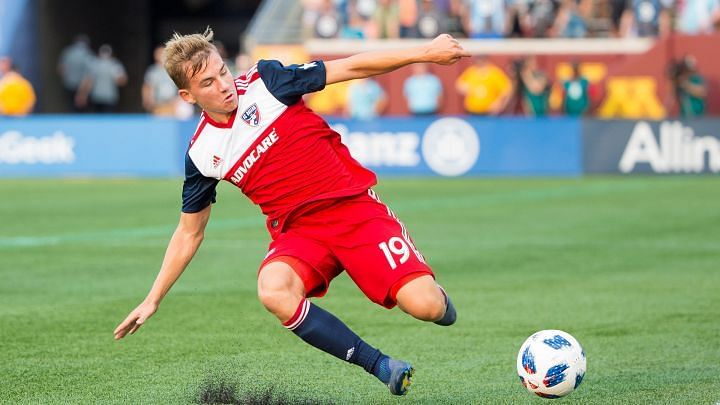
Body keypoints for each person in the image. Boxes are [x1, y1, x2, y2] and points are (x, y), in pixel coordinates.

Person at [113, 28, 469, 396]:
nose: (224, 84)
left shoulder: (267, 82)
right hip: (301, 235)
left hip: (354, 212)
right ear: (188, 96)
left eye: (223, 70)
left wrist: (425, 52)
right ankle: (381, 365)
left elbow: (350, 67)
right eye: (209, 82)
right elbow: (189, 232)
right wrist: (153, 298)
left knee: (427, 307)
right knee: (272, 290)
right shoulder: (202, 154)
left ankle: (438, 301)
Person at [75, 44, 127, 113]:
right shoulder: (114, 65)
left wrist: (82, 94)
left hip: (97, 97)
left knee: (96, 120)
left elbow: (87, 81)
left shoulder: (95, 64)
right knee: (109, 120)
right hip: (109, 97)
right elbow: (121, 81)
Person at [57, 34, 94, 112]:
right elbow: (89, 75)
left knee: (71, 108)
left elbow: (61, 69)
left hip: (69, 85)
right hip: (83, 87)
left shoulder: (67, 52)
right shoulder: (88, 55)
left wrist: (66, 78)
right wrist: (83, 93)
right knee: (83, 110)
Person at [142, 46, 181, 116]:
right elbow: (147, 86)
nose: (160, 55)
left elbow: (181, 86)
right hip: (158, 104)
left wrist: (178, 99)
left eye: (162, 53)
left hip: (173, 103)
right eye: (158, 53)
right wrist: (147, 100)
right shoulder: (152, 71)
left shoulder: (174, 69)